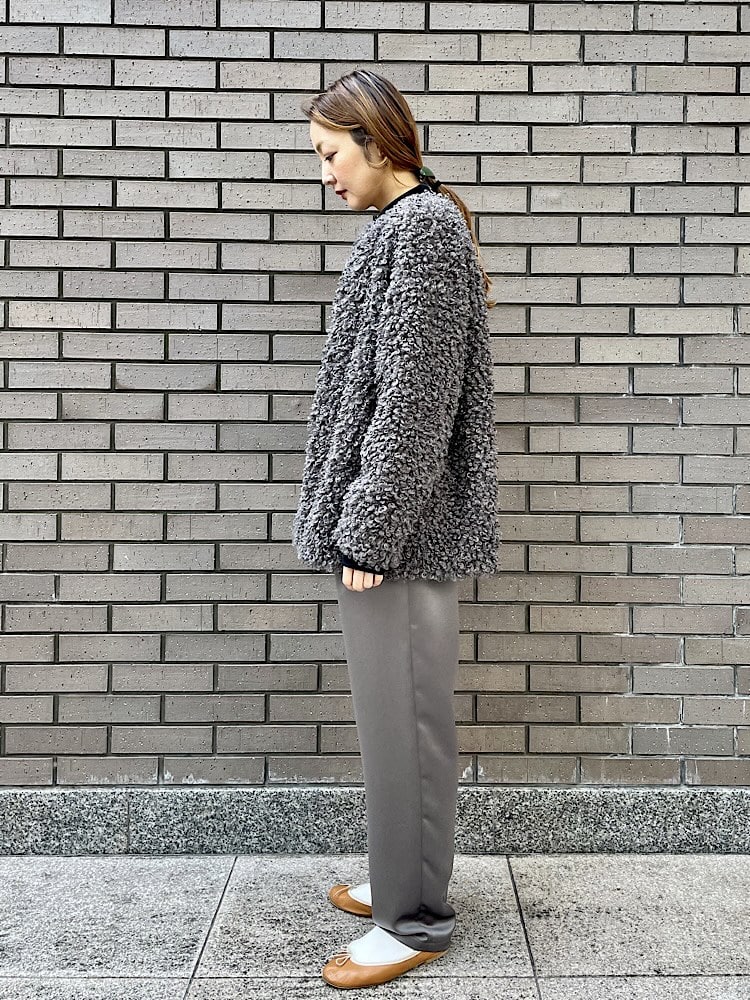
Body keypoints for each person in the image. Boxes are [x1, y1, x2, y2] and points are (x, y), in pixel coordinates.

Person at [292, 68, 500, 990]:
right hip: (388, 527)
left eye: (329, 154)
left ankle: (414, 920)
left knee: (407, 726)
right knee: (392, 725)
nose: (325, 174)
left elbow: (416, 397)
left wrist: (371, 528)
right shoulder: (402, 228)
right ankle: (398, 878)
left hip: (399, 536)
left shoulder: (422, 232)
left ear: (377, 144)